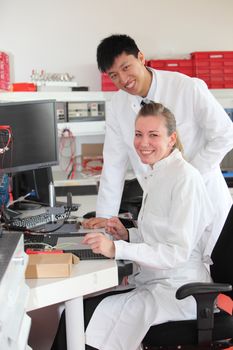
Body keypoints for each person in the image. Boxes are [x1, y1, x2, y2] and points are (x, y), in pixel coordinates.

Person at [51, 102, 214, 350]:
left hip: (178, 291)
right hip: (156, 281)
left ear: (171, 139)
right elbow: (160, 233)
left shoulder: (185, 179)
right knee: (78, 312)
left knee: (81, 317)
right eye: (138, 134)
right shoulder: (159, 172)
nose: (143, 142)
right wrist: (128, 233)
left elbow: (175, 252)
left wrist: (117, 249)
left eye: (153, 135)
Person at [83, 34, 233, 260]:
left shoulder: (187, 87)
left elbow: (225, 134)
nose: (123, 79)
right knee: (162, 265)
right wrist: (106, 225)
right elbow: (113, 167)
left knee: (210, 272)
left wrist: (186, 179)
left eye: (126, 67)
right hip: (160, 211)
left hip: (204, 198)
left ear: (141, 58)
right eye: (114, 75)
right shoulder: (117, 107)